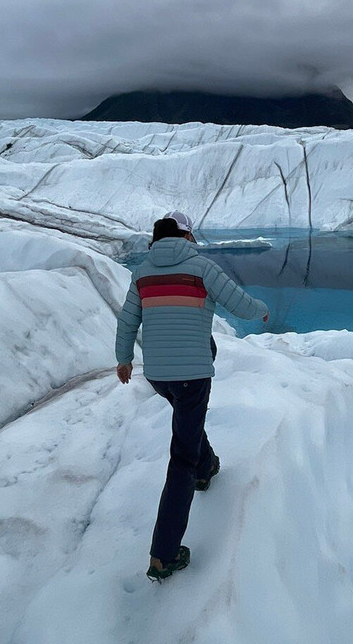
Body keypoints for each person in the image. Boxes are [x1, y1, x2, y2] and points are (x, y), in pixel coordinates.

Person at [115, 210, 269, 582]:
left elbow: (127, 320)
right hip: (192, 375)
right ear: (186, 237)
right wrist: (262, 312)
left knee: (188, 422)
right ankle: (163, 555)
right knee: (181, 455)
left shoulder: (142, 272)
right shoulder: (201, 267)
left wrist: (123, 359)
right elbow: (238, 301)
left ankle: (207, 467)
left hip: (158, 376)